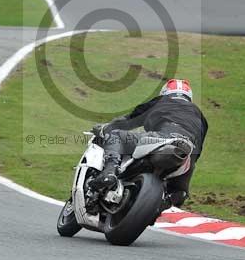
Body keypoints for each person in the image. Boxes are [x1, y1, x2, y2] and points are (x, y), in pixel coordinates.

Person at [89, 79, 208, 207]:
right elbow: (198, 149)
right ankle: (162, 206)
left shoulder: (162, 101)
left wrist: (105, 128)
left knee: (116, 136)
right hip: (187, 152)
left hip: (163, 137)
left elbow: (129, 120)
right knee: (180, 192)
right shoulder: (200, 116)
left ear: (165, 92)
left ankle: (109, 171)